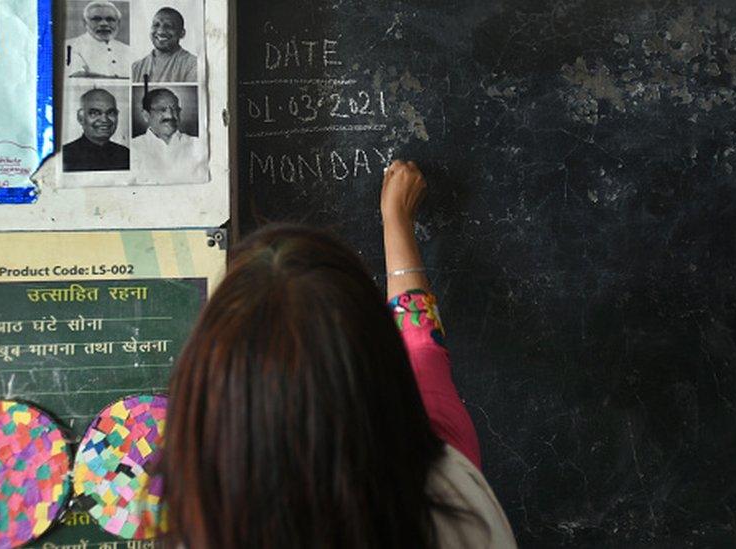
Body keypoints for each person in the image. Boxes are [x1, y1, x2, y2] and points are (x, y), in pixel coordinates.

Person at [162, 161, 517, 548]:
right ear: (378, 359)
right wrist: (396, 219)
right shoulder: (453, 494)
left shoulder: (208, 526)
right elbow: (422, 348)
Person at [132, 88, 206, 183]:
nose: (170, 115)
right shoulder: (133, 148)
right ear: (146, 115)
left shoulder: (197, 144)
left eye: (174, 109)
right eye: (162, 110)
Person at [62, 88, 129, 171]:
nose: (104, 120)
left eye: (111, 113)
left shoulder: (125, 154)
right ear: (81, 118)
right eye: (94, 113)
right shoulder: (65, 155)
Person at [131, 7, 198, 83]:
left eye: (168, 26)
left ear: (182, 33)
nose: (160, 31)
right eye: (156, 25)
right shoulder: (136, 67)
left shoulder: (192, 65)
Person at [65, 1, 130, 78]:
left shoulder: (127, 50)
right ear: (85, 22)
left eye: (110, 19)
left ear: (118, 23)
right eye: (96, 19)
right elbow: (78, 76)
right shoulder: (71, 46)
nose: (104, 24)